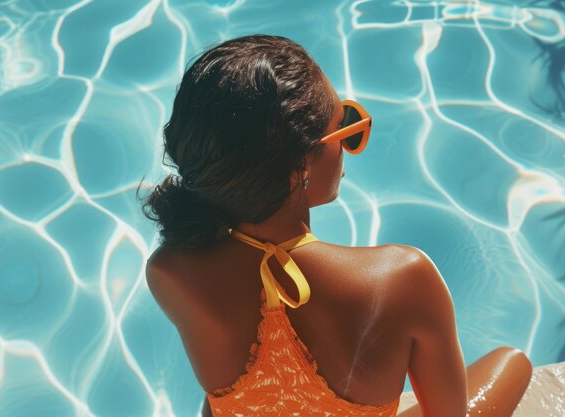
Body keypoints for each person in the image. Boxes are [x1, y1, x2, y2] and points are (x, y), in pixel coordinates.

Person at [140, 34, 533, 417]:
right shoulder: (403, 280)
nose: (350, 143)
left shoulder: (169, 271)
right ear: (302, 165)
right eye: (345, 126)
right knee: (512, 362)